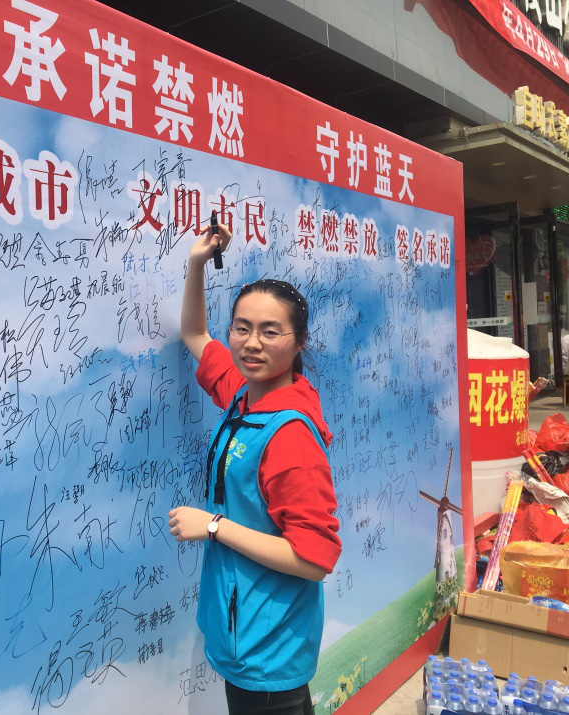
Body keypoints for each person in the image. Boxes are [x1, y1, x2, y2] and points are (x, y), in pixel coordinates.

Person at [168, 219, 341, 715]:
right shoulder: (244, 397)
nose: (252, 343)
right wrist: (197, 264)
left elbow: (314, 558)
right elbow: (194, 333)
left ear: (300, 341)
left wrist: (214, 526)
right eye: (242, 328)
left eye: (270, 332)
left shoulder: (290, 435)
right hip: (246, 632)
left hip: (269, 650)